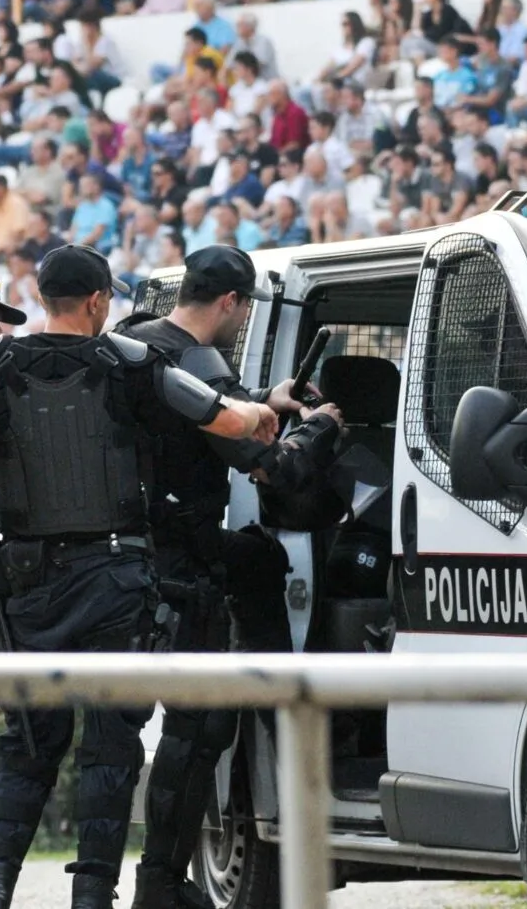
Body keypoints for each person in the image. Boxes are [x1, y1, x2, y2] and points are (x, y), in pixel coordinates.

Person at [0, 245, 276, 909]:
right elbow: (221, 417)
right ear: (102, 300)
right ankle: (92, 894)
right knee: (110, 746)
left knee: (25, 746)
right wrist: (261, 414)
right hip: (114, 582)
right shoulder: (133, 361)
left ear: (43, 296)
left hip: (27, 587)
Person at [116, 246, 345, 908]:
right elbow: (277, 469)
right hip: (182, 572)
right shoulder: (199, 362)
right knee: (198, 731)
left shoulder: (133, 346)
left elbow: (203, 415)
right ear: (231, 304)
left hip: (122, 565)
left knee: (121, 740)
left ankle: (126, 884)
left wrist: (260, 399)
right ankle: (159, 884)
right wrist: (319, 431)